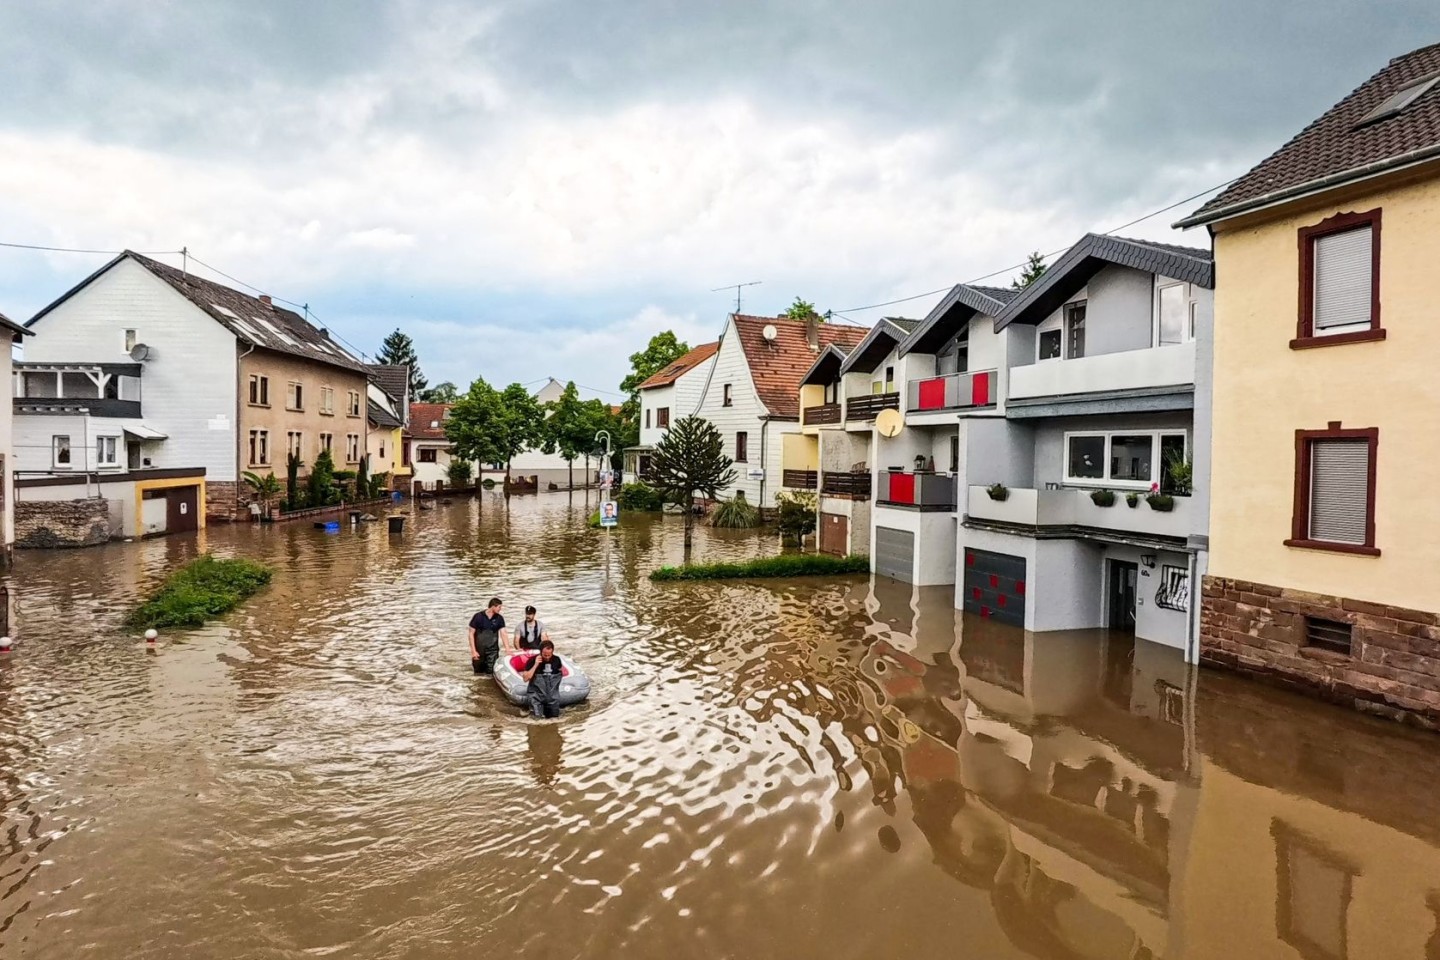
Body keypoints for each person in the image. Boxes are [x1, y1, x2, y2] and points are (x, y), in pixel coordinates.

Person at [521, 640, 566, 718]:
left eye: (549, 655)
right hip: (536, 696)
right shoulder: (532, 661)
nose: (547, 657)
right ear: (540, 652)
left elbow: (561, 674)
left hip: (552, 697)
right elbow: (525, 679)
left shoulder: (557, 660)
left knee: (555, 720)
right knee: (537, 719)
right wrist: (535, 665)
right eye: (545, 655)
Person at [468, 597, 508, 675]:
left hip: (493, 650)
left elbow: (504, 634)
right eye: (499, 607)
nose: (500, 609)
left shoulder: (499, 618)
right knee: (478, 673)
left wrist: (508, 649)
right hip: (479, 650)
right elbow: (471, 634)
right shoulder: (478, 617)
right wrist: (473, 651)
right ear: (493, 606)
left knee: (491, 673)